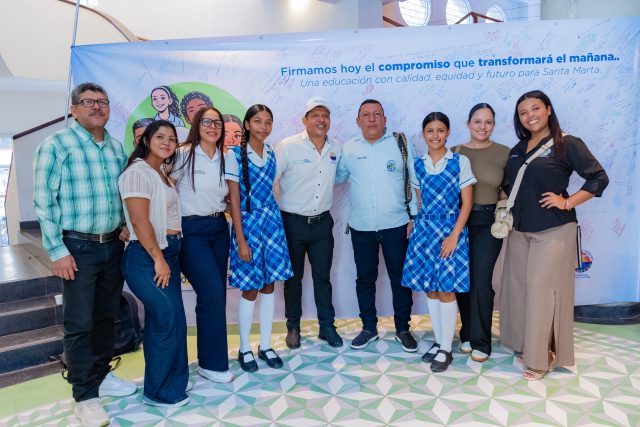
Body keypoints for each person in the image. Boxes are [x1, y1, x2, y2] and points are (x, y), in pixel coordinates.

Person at [33, 82, 137, 426]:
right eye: (89, 102)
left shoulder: (115, 148)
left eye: (102, 102)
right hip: (76, 248)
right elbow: (43, 202)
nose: (97, 107)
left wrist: (125, 225)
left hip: (112, 245)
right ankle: (85, 396)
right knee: (79, 323)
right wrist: (56, 250)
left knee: (107, 317)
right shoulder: (56, 145)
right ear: (74, 109)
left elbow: (122, 193)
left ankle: (101, 375)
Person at [500, 90, 608, 381]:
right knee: (520, 291)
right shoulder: (517, 148)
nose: (530, 115)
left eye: (535, 108)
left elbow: (599, 178)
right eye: (523, 112)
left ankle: (541, 358)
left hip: (554, 229)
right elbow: (510, 186)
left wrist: (567, 201)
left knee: (542, 293)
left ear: (548, 110)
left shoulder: (567, 143)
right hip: (519, 230)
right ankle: (526, 346)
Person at [335, 99, 418, 352]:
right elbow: (336, 177)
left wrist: (414, 217)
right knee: (365, 279)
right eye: (366, 115)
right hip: (362, 227)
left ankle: (403, 329)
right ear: (358, 121)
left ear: (385, 119)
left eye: (376, 114)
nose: (371, 119)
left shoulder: (400, 144)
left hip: (397, 224)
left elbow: (414, 179)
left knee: (400, 279)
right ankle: (368, 328)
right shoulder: (348, 148)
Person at [119, 120, 189, 407]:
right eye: (160, 137)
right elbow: (139, 220)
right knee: (165, 319)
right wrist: (158, 258)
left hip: (168, 253)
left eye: (172, 139)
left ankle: (174, 384)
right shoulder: (137, 172)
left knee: (174, 321)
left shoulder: (161, 173)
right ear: (146, 140)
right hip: (146, 258)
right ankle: (158, 392)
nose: (166, 142)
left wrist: (166, 256)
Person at [401, 112, 475, 372]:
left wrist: (454, 235)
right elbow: (420, 200)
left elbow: (467, 203)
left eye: (440, 130)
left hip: (450, 230)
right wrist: (415, 222)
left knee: (446, 289)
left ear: (448, 132)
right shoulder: (417, 164)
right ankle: (439, 340)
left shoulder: (459, 161)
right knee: (431, 289)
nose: (435, 135)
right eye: (430, 131)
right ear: (424, 134)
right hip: (425, 230)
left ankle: (446, 348)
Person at [225, 104, 293, 372]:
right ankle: (244, 348)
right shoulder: (234, 155)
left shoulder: (272, 153)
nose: (263, 127)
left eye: (268, 122)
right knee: (250, 287)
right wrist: (241, 240)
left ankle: (265, 345)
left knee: (269, 285)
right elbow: (233, 199)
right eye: (257, 121)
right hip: (248, 224)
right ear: (247, 124)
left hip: (272, 223)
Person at [275, 97, 343, 349]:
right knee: (293, 279)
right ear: (304, 120)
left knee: (322, 277)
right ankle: (293, 327)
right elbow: (271, 179)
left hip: (322, 223)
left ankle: (327, 326)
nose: (321, 120)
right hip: (292, 223)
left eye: (325, 115)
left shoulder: (336, 147)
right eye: (315, 115)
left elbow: (339, 176)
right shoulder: (288, 146)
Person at [173, 107, 234, 383]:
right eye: (207, 122)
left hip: (219, 228)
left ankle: (210, 361)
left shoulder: (226, 156)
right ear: (197, 125)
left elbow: (229, 197)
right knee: (211, 293)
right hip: (191, 231)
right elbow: (165, 187)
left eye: (217, 123)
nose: (213, 127)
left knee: (216, 295)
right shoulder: (183, 154)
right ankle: (212, 364)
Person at [452, 103, 510, 363]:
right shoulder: (455, 152)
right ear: (468, 124)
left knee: (481, 282)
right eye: (477, 121)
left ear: (494, 125)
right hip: (459, 222)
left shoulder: (504, 153)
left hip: (489, 223)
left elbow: (508, 190)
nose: (482, 127)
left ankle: (481, 340)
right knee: (462, 281)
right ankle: (466, 333)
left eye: (488, 122)